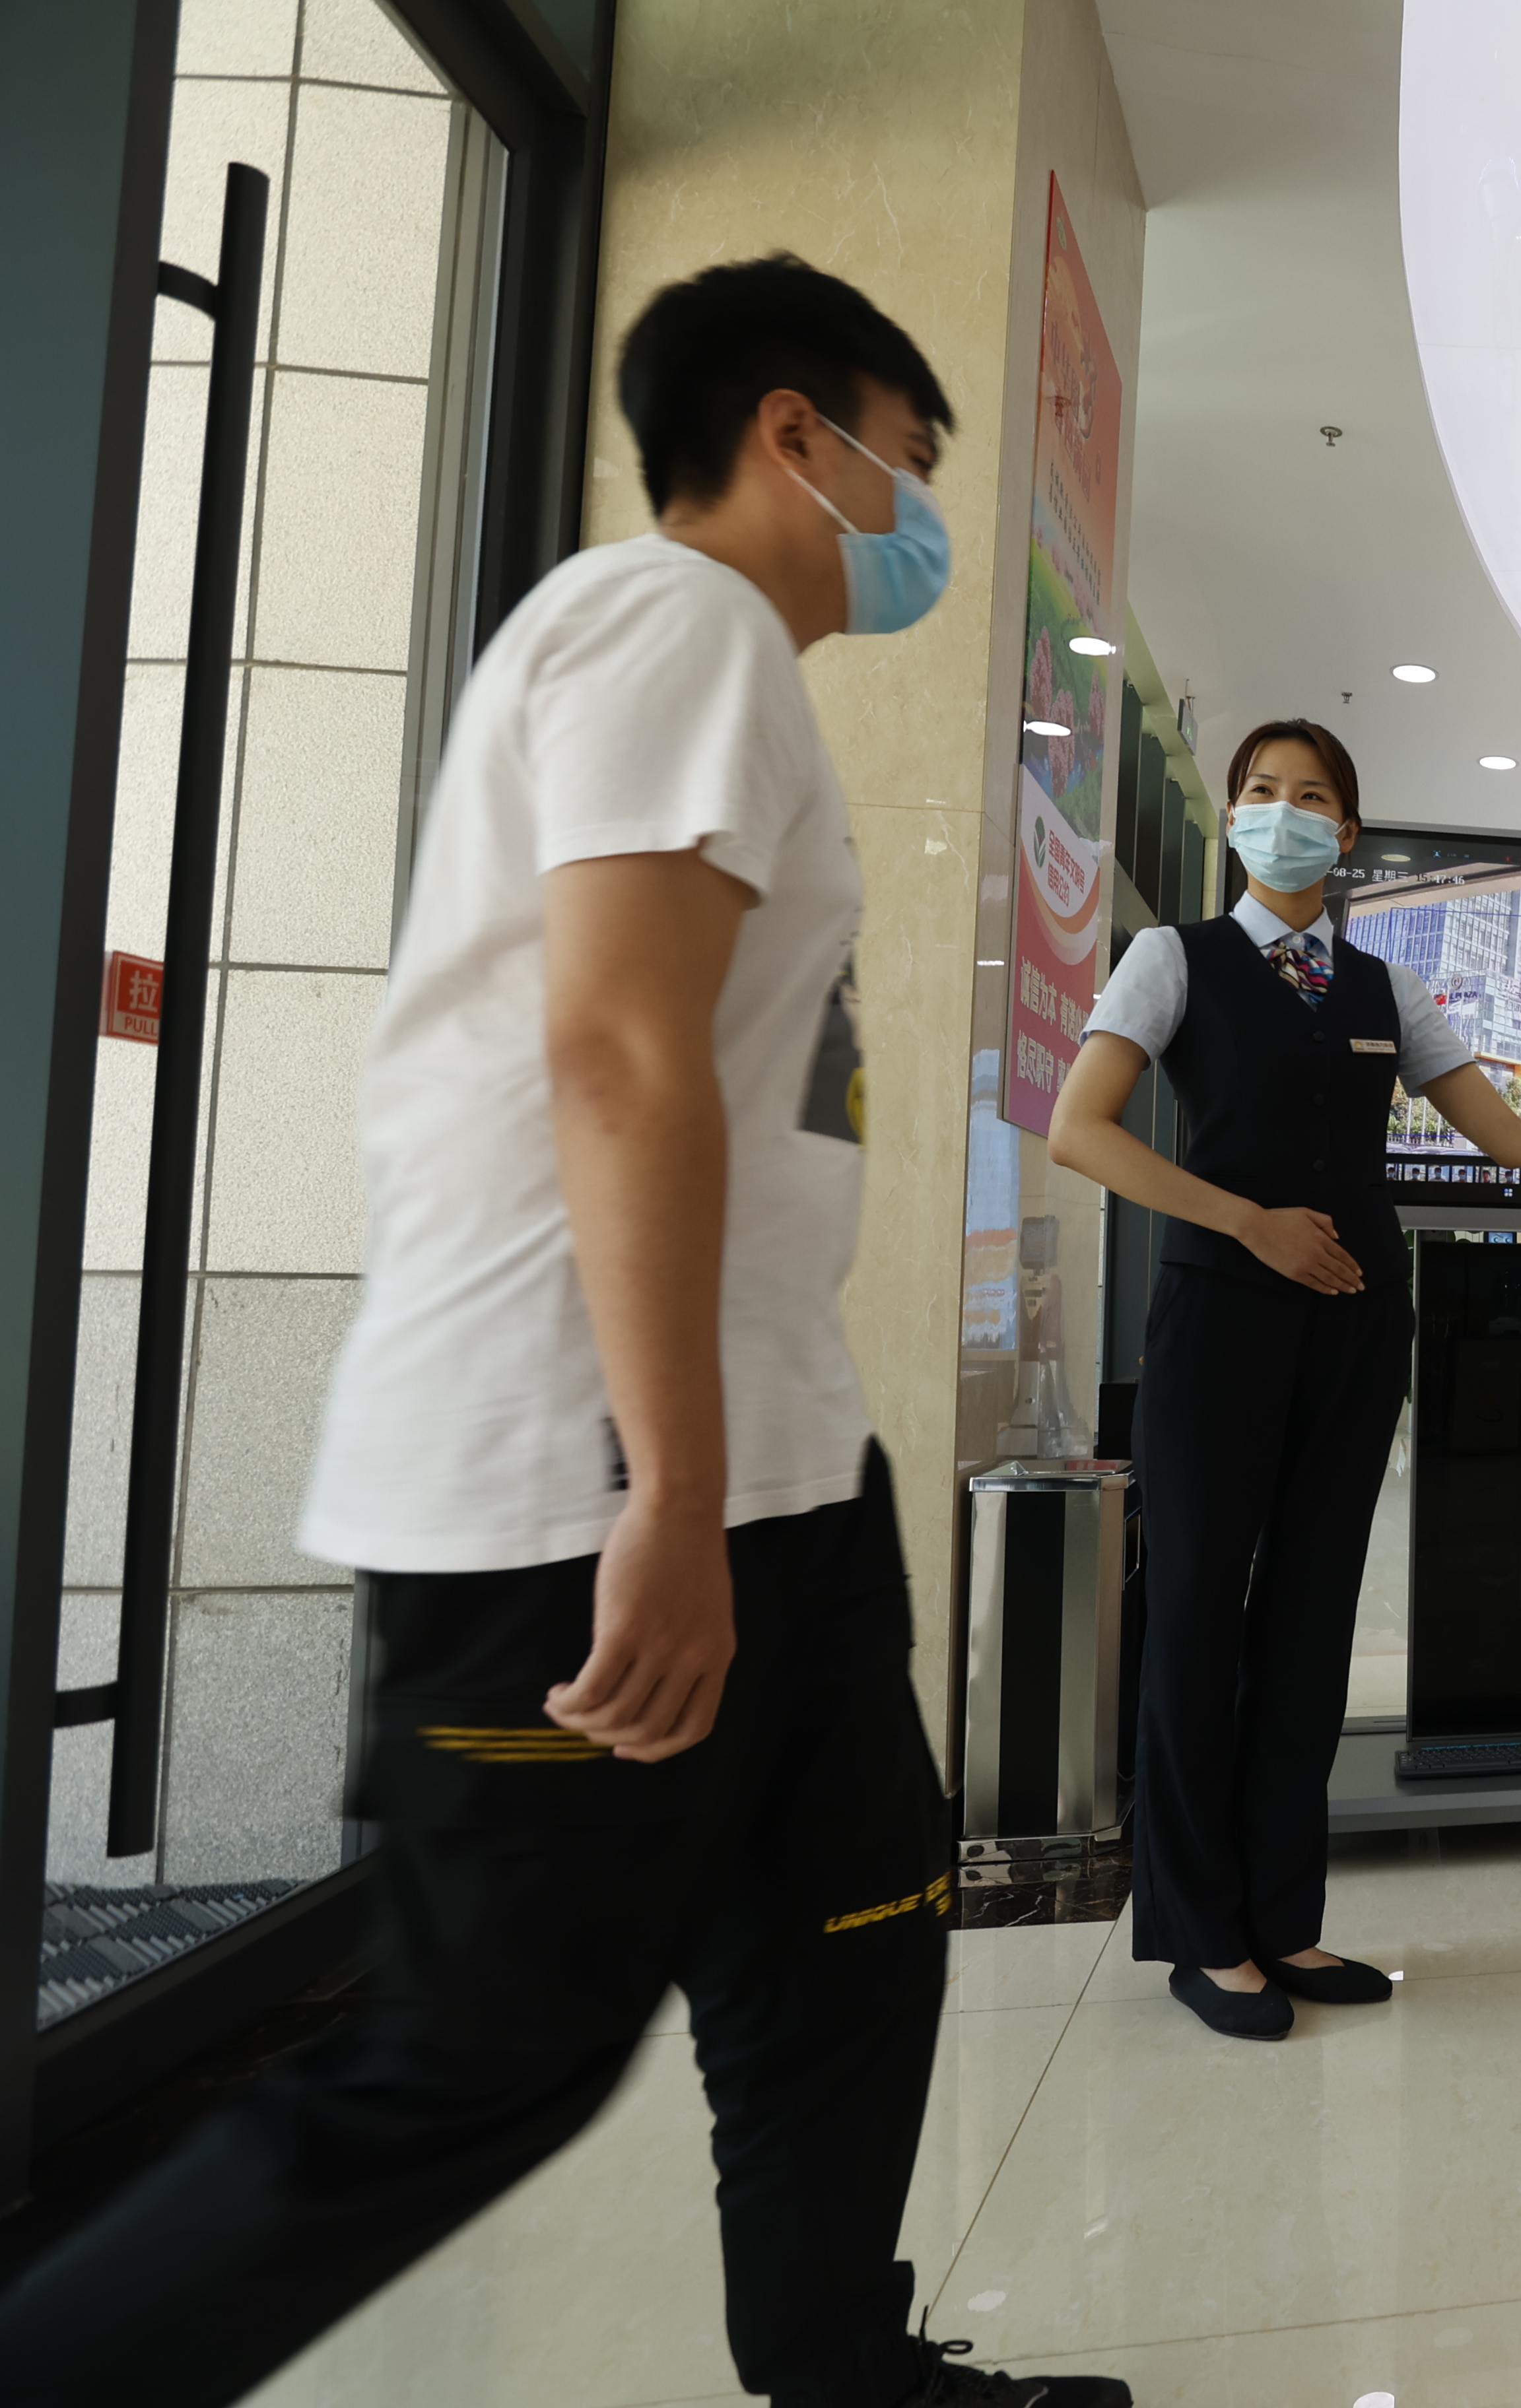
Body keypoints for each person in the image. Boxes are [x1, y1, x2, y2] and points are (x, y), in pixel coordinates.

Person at [0, 258, 1122, 2408]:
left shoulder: (714, 665)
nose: (922, 515)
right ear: (796, 433)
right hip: (582, 1493)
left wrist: (734, 1478)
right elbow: (615, 1046)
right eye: (912, 457)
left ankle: (844, 2366)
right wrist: (666, 1490)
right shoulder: (670, 618)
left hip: (782, 1468)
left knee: (852, 1932)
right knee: (479, 2060)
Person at [1046, 725, 1521, 2041]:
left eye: (1310, 797)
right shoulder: (1174, 959)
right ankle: (1204, 1936)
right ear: (1233, 817)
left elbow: (1510, 1138)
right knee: (1199, 1616)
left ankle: (1285, 1920)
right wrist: (1246, 1221)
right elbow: (1078, 1130)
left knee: (1311, 1619)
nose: (1282, 812)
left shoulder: (1386, 987)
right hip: (1218, 1323)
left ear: (1346, 832)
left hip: (1356, 1324)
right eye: (1260, 793)